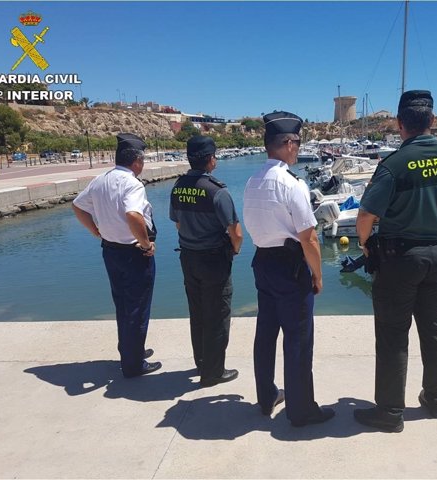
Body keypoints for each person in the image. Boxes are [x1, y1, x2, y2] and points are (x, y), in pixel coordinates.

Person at [353, 90, 437, 432]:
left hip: (401, 258)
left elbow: (366, 215)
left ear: (399, 123)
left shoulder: (393, 165)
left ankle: (390, 413)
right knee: (433, 329)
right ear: (432, 121)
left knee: (393, 334)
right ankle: (436, 402)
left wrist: (365, 244)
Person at [243, 111, 335, 426]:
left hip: (262, 262)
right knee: (298, 338)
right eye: (297, 142)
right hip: (290, 267)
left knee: (265, 334)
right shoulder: (291, 183)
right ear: (286, 143)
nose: (298, 148)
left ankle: (266, 395)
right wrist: (318, 275)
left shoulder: (252, 181)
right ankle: (301, 409)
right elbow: (309, 238)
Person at [73, 133, 161, 378]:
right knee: (137, 308)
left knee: (122, 305)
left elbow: (78, 206)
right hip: (134, 254)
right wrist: (145, 245)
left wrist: (95, 231)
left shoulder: (101, 179)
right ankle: (133, 365)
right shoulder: (132, 183)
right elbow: (133, 215)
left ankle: (130, 351)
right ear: (137, 161)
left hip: (111, 251)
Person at [169, 136, 243, 387]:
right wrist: (234, 250)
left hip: (188, 257)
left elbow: (177, 222)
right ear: (210, 159)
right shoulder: (217, 191)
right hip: (214, 259)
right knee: (218, 313)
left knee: (198, 311)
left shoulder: (178, 186)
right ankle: (213, 372)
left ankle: (202, 361)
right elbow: (236, 232)